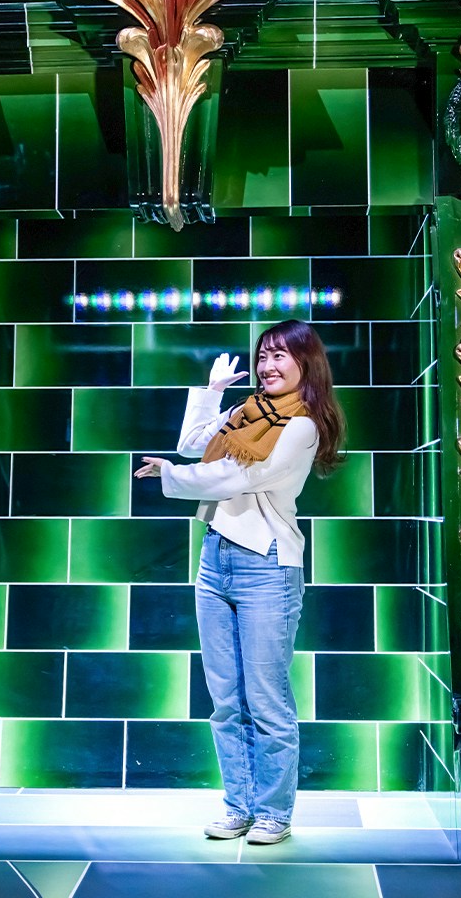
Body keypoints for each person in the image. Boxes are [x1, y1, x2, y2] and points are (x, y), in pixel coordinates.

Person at [135, 319, 345, 846]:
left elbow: (242, 477)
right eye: (264, 355)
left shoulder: (301, 425)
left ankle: (273, 812)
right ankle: (238, 806)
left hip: (267, 565)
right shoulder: (248, 413)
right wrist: (211, 394)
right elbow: (192, 443)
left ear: (306, 364)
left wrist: (170, 477)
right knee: (226, 700)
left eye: (281, 356)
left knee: (266, 699)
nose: (268, 366)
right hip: (215, 559)